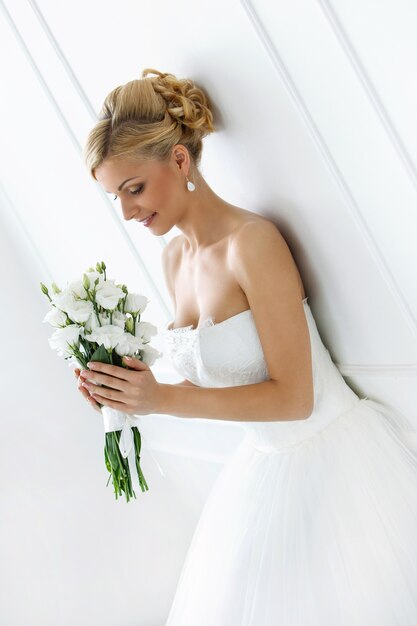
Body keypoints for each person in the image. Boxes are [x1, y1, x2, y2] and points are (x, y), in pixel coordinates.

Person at [75, 68, 417, 624]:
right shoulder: (173, 259)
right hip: (263, 467)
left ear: (180, 161)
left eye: (133, 189)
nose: (128, 212)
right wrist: (126, 391)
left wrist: (162, 400)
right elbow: (221, 381)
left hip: (337, 459)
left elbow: (294, 398)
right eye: (116, 196)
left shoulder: (251, 243)